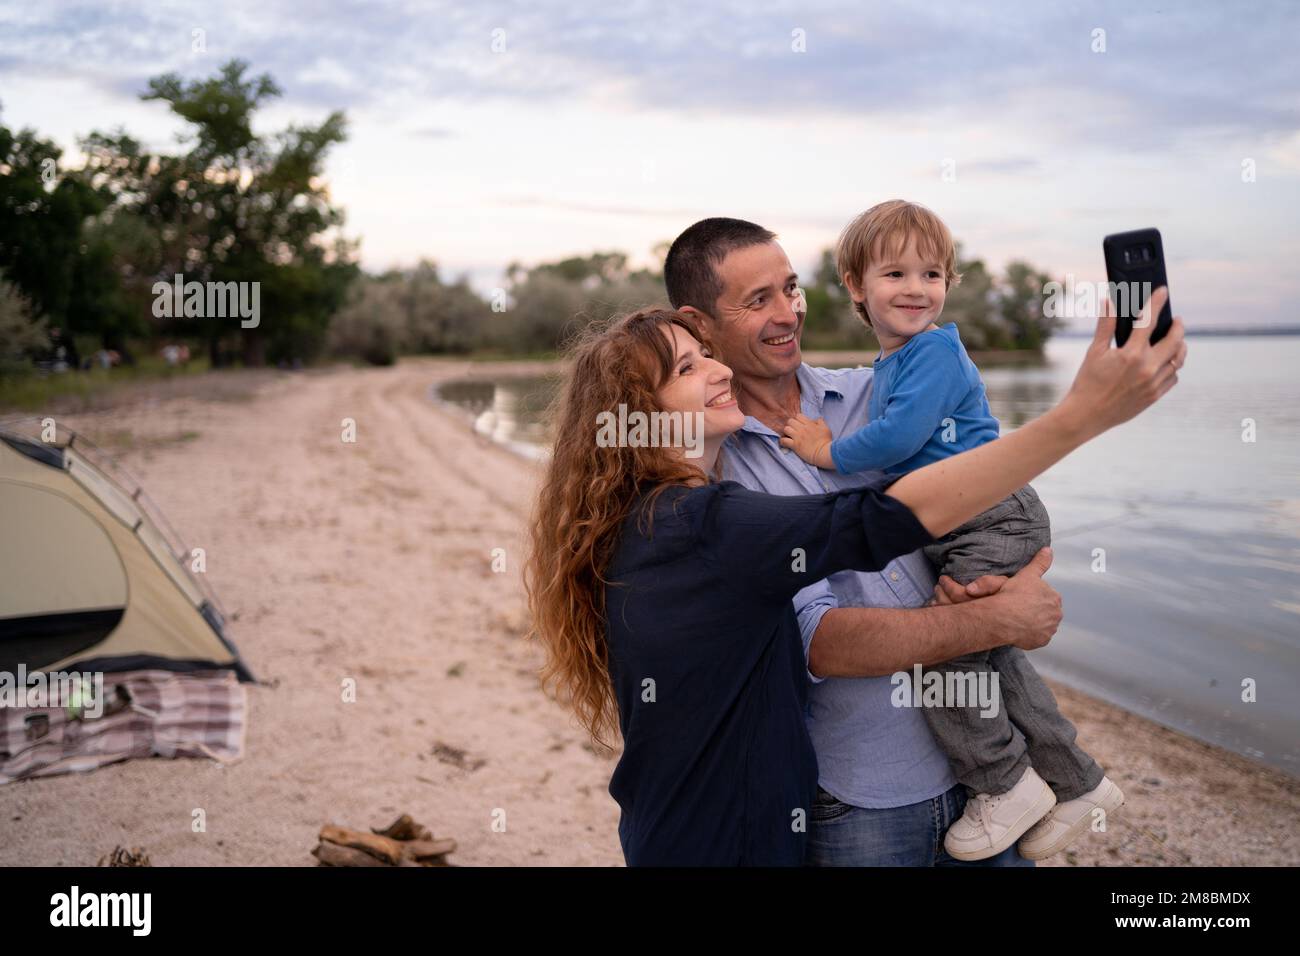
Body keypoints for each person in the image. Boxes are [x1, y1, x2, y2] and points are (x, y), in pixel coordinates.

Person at [525, 294, 1185, 865]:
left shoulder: (648, 522)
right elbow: (876, 522)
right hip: (722, 843)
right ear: (643, 409)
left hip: (684, 827)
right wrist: (1079, 417)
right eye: (689, 366)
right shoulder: (702, 524)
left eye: (707, 352)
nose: (720, 367)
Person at [781, 200, 1122, 861]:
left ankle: (1003, 782)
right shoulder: (892, 365)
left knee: (946, 652)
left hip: (988, 516)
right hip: (974, 520)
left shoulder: (934, 351)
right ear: (854, 284)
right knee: (990, 651)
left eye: (932, 274)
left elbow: (902, 437)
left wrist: (824, 453)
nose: (916, 288)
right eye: (895, 273)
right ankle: (1078, 781)